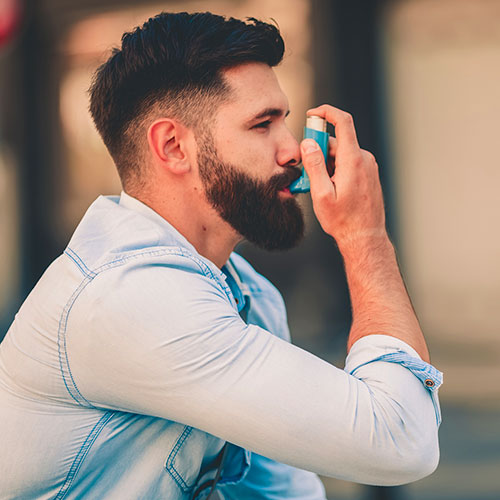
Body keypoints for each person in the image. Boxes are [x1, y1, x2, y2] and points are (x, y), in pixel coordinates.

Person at [0, 11, 442, 500]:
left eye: (285, 121)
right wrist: (365, 236)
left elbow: (279, 493)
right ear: (173, 146)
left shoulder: (245, 292)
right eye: (262, 125)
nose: (293, 150)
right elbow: (400, 441)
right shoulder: (130, 297)